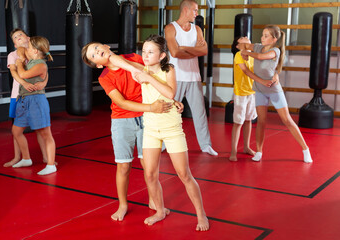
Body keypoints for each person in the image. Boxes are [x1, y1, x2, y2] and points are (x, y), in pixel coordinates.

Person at [108, 34, 209, 231]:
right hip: (151, 130)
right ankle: (160, 210)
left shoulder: (168, 69)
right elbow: (117, 60)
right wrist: (106, 52)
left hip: (172, 129)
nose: (145, 55)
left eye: (150, 52)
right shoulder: (141, 70)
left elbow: (171, 93)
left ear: (162, 55)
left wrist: (148, 78)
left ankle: (201, 214)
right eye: (143, 51)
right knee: (151, 174)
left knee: (184, 174)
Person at [81, 42, 182, 221]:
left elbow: (152, 78)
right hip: (122, 121)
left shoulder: (133, 58)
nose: (98, 51)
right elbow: (121, 103)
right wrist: (151, 107)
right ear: (97, 64)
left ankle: (154, 200)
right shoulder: (105, 77)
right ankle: (123, 205)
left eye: (97, 47)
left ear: (106, 46)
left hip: (147, 117)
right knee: (123, 166)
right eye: (94, 54)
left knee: (149, 165)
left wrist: (170, 101)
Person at [237, 25, 312, 163]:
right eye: (262, 35)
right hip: (260, 89)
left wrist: (246, 51)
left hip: (273, 89)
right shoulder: (258, 46)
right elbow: (239, 44)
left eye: (266, 36)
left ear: (274, 39)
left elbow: (260, 57)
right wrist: (244, 47)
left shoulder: (275, 51)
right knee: (261, 121)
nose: (262, 37)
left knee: (287, 120)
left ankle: (305, 149)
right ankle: (259, 151)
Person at [164, 0, 217, 156]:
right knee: (170, 112)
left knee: (200, 113)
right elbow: (174, 52)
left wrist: (185, 48)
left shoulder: (197, 29)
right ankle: (162, 143)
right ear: (186, 10)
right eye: (194, 10)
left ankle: (206, 145)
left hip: (194, 77)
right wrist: (195, 50)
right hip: (175, 77)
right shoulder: (170, 28)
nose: (197, 13)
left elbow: (205, 50)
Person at [11, 36, 58, 175]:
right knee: (16, 131)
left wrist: (19, 61)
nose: (27, 49)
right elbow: (20, 48)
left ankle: (51, 165)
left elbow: (23, 74)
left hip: (36, 101)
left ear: (36, 51)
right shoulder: (31, 60)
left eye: (30, 47)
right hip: (23, 100)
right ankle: (26, 158)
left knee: (45, 134)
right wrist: (22, 52)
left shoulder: (40, 64)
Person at [3, 28, 48, 168]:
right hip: (18, 95)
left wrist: (43, 83)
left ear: (28, 38)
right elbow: (14, 72)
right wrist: (24, 83)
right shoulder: (13, 55)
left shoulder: (34, 52)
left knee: (41, 129)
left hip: (35, 95)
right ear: (15, 44)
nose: (19, 38)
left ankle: (46, 158)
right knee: (16, 129)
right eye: (15, 38)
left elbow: (45, 71)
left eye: (20, 35)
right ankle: (18, 157)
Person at [229, 36, 277, 161]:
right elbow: (245, 71)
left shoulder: (254, 55)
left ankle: (246, 147)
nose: (245, 36)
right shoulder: (239, 55)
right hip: (241, 93)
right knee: (238, 123)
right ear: (238, 45)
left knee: (248, 120)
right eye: (242, 38)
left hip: (252, 92)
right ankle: (233, 151)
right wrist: (262, 81)